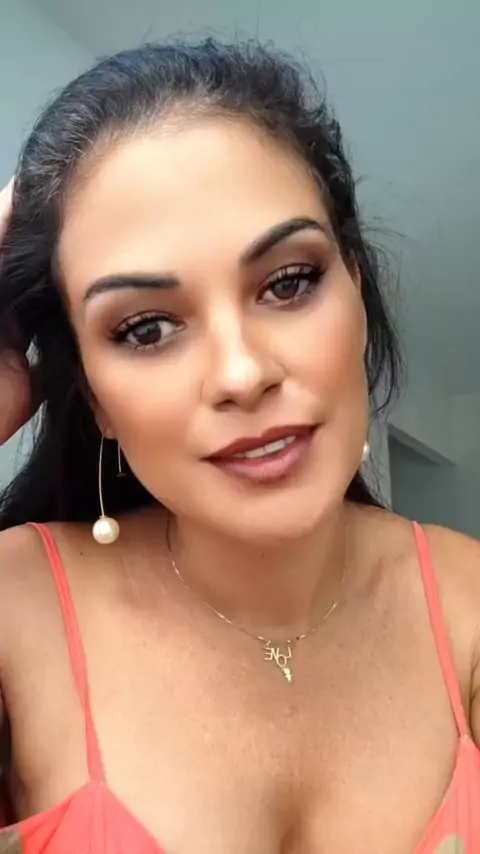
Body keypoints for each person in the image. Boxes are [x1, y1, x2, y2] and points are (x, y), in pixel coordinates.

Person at [0, 39, 478, 854]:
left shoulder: (467, 605)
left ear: (357, 290)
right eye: (146, 328)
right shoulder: (19, 608)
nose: (243, 373)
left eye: (288, 283)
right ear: (93, 397)